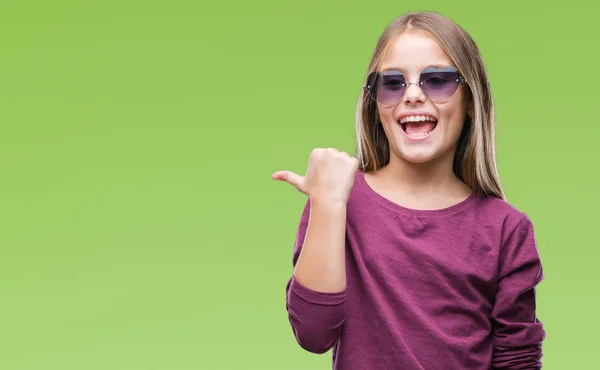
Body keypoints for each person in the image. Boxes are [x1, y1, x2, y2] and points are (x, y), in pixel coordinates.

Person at [271, 11, 545, 370]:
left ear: (470, 100)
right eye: (393, 83)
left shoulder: (507, 229)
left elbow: (517, 362)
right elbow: (313, 334)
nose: (413, 95)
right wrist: (327, 204)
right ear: (375, 103)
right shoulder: (337, 201)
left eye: (436, 80)